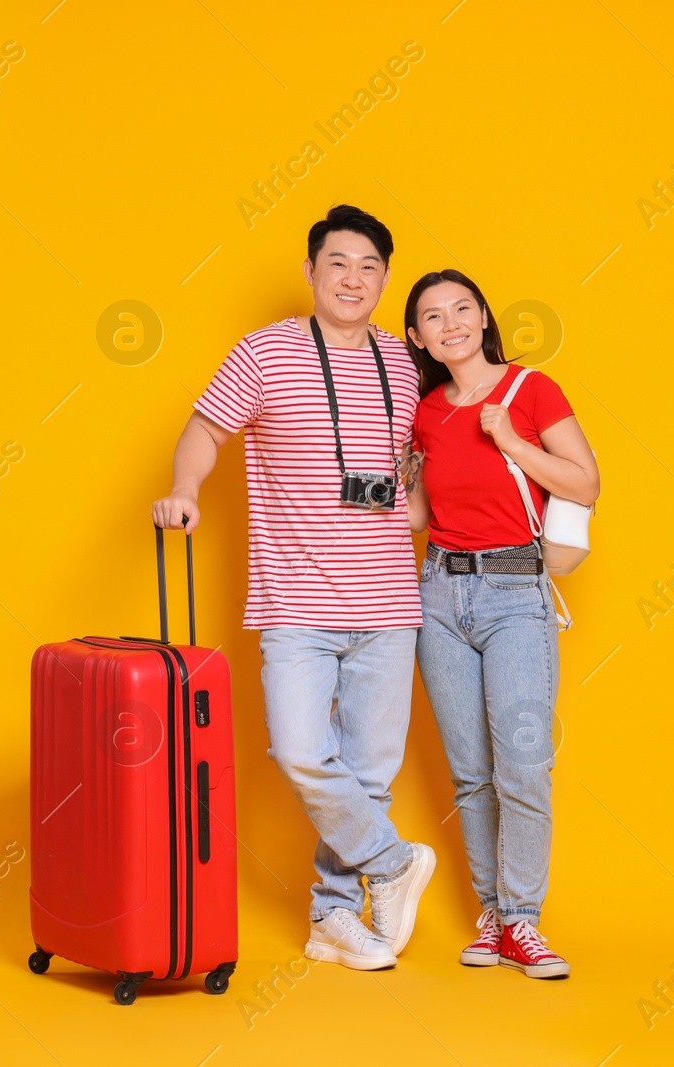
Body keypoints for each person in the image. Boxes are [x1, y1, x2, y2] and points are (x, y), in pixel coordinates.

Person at [152, 205, 436, 971]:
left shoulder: (405, 361)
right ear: (311, 270)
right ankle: (391, 862)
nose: (353, 278)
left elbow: (424, 459)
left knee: (369, 772)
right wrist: (185, 489)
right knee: (302, 750)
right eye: (338, 263)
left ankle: (332, 920)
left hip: (388, 600)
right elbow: (206, 430)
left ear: (384, 278)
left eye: (369, 266)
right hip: (296, 601)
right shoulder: (264, 352)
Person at [403, 269, 599, 979]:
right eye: (432, 315)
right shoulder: (425, 412)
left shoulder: (530, 390)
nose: (450, 322)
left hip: (517, 592)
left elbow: (584, 483)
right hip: (439, 598)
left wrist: (511, 442)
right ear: (418, 336)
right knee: (471, 774)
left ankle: (523, 920)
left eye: (461, 307)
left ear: (483, 316)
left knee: (522, 764)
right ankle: (492, 915)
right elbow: (423, 518)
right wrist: (387, 484)